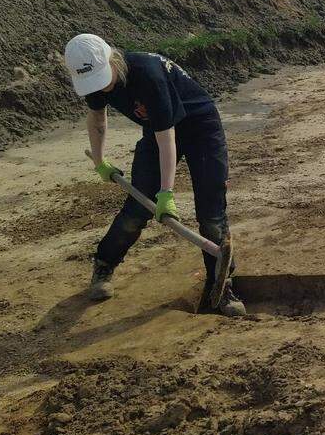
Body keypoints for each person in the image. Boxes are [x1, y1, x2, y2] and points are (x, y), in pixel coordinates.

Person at [62, 34, 245, 316]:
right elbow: (98, 117)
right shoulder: (93, 77)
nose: (102, 86)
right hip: (158, 131)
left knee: (211, 214)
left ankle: (221, 284)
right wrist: (100, 162)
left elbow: (166, 137)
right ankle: (104, 265)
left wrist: (167, 193)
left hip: (200, 128)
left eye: (103, 77)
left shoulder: (148, 74)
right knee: (136, 208)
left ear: (111, 60)